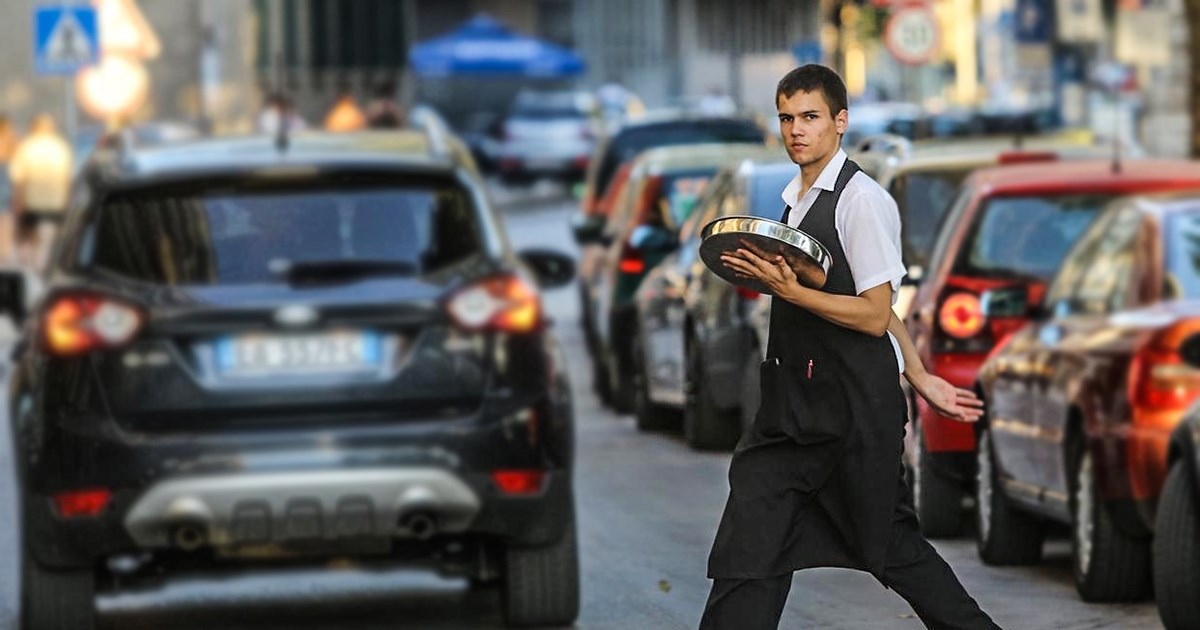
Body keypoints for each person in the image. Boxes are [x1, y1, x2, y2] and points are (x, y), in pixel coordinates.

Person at [704, 64, 1000, 630]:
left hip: (854, 419)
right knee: (751, 542)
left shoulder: (861, 201)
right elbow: (881, 307)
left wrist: (790, 291)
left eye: (810, 117)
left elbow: (870, 314)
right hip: (794, 416)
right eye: (787, 118)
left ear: (840, 122)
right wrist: (919, 372)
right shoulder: (797, 199)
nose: (797, 130)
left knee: (893, 549)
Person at [8, 114, 72, 270]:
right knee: (52, 242)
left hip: (32, 204)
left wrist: (17, 203)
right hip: (57, 204)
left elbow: (18, 179)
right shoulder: (61, 147)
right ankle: (48, 268)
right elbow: (68, 179)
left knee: (29, 241)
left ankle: (30, 267)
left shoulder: (26, 147)